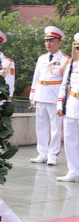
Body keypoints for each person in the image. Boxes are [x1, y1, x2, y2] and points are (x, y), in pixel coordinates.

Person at [29, 26, 66, 165]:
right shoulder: (42, 58)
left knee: (56, 128)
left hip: (55, 97)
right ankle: (42, 153)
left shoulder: (65, 60)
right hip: (41, 94)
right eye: (46, 41)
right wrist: (32, 95)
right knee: (41, 126)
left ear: (59, 42)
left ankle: (53, 155)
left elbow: (64, 83)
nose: (48, 44)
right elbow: (36, 77)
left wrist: (61, 101)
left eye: (51, 41)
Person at [59, 33, 79, 183]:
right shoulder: (72, 65)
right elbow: (64, 86)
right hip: (72, 104)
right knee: (70, 140)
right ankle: (73, 171)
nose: (78, 51)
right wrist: (60, 104)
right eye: (77, 48)